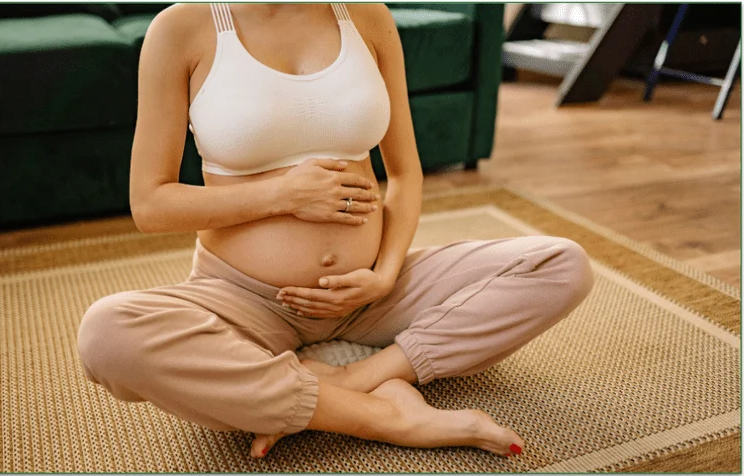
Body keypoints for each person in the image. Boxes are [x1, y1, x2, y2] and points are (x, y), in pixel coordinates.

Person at [77, 2, 594, 460]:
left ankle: (351, 376)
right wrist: (281, 194)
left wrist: (386, 273)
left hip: (372, 294)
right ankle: (385, 416)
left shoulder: (366, 15)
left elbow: (406, 174)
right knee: (108, 333)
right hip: (245, 300)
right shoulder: (184, 26)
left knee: (561, 265)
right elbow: (151, 204)